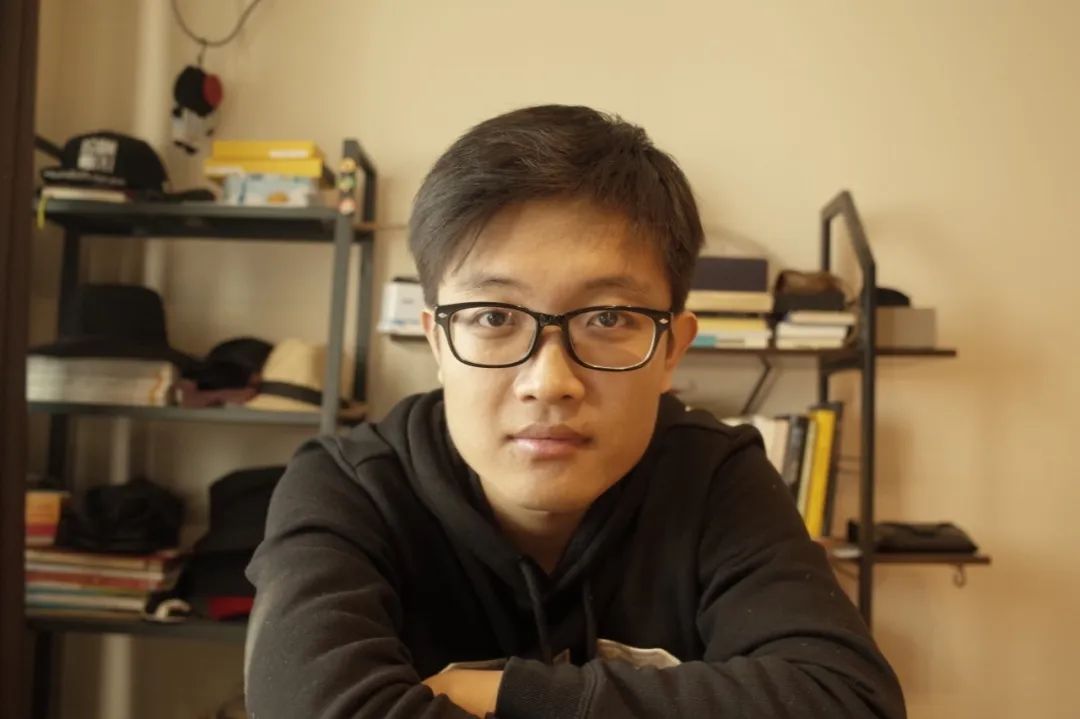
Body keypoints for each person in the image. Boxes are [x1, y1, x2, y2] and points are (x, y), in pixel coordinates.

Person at [244, 104, 905, 718]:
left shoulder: (713, 475)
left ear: (671, 349)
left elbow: (846, 701)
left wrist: (509, 692)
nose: (549, 382)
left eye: (608, 318)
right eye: (493, 316)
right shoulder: (349, 485)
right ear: (438, 341)